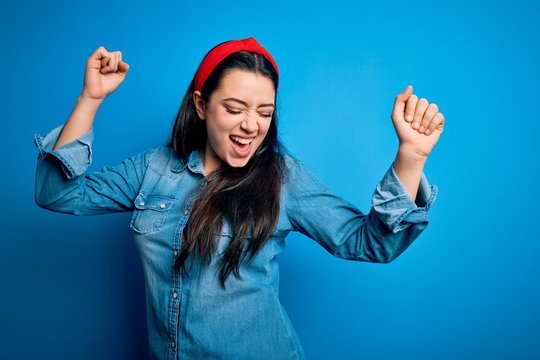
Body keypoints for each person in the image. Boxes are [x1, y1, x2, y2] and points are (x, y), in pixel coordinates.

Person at [34, 37, 444, 360]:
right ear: (201, 104)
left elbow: (371, 243)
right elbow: (57, 193)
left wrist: (411, 157)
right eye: (235, 108)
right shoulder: (153, 168)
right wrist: (91, 98)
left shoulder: (283, 179)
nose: (251, 125)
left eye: (264, 112)